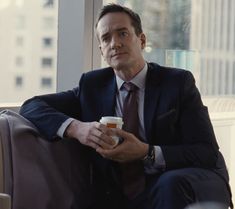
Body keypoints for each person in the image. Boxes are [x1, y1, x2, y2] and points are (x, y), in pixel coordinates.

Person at [20, 3, 233, 209]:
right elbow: (32, 106)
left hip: (188, 180)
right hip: (124, 194)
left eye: (122, 33)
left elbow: (206, 153)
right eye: (106, 38)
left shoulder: (177, 83)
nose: (115, 43)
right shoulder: (92, 86)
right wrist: (78, 129)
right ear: (102, 50)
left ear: (141, 40)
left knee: (169, 185)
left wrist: (147, 152)